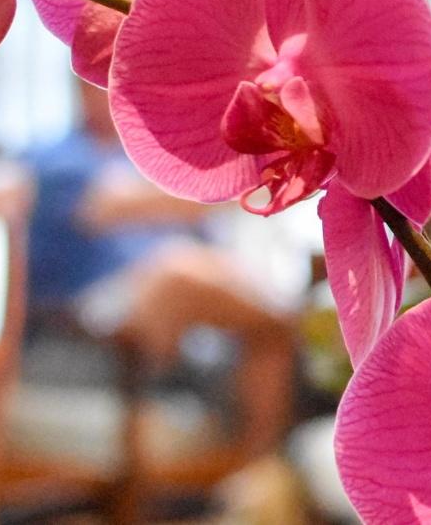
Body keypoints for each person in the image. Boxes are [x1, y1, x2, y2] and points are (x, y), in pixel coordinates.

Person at [23, 78, 293, 459]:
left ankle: (255, 472)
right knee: (179, 272)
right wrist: (253, 176)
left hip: (171, 322)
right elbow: (113, 204)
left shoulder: (146, 157)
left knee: (258, 308)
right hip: (78, 325)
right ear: (83, 90)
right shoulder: (58, 158)